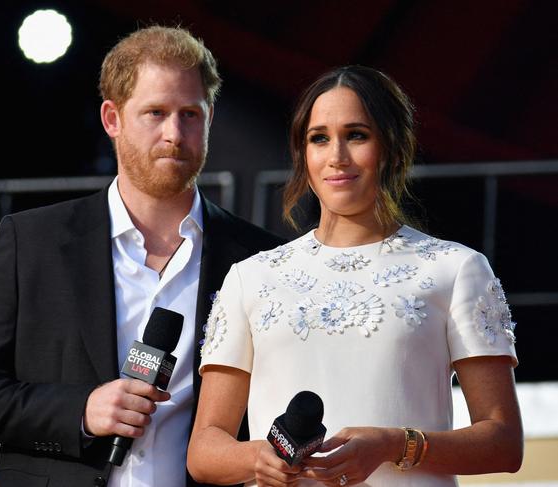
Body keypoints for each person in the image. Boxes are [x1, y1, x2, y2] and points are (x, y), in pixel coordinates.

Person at [0, 26, 283, 487]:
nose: (174, 133)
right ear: (112, 118)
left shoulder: (258, 258)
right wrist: (80, 410)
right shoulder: (33, 240)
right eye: (155, 113)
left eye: (190, 114)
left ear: (210, 117)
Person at [187, 65, 523, 487]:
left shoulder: (455, 269)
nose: (336, 156)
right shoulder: (251, 278)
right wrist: (257, 457)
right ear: (302, 153)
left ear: (392, 147)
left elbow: (504, 442)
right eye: (319, 138)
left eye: (357, 135)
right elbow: (204, 450)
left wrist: (393, 444)